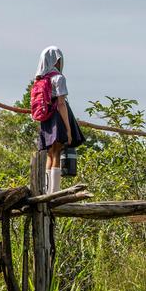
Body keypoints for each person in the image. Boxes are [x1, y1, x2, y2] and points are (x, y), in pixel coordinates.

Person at [35, 46, 85, 194]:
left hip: (46, 118)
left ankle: (46, 189)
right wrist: (69, 130)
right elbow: (61, 103)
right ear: (56, 61)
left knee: (50, 153)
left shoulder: (41, 79)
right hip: (57, 116)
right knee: (57, 152)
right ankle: (55, 191)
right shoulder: (58, 78)